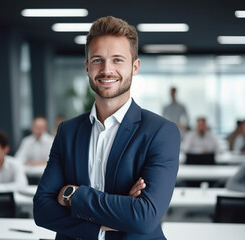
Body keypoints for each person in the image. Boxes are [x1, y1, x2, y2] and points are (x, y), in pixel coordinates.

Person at [33, 16, 180, 240]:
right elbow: (42, 210)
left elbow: (144, 216)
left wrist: (72, 194)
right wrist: (116, 212)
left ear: (135, 66)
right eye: (98, 60)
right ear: (87, 67)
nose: (106, 70)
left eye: (117, 60)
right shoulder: (68, 132)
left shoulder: (161, 132)